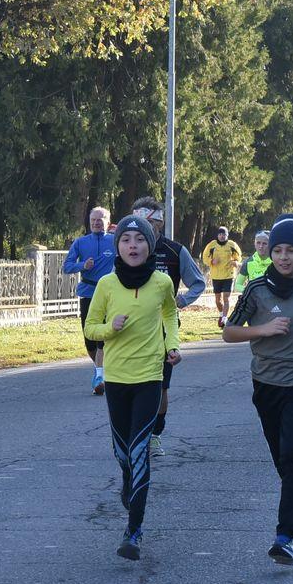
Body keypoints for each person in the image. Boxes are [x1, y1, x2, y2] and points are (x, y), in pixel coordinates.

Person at [223, 213, 293, 566]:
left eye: (291, 251)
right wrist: (263, 329)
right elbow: (229, 332)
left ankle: (284, 537)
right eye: (278, 251)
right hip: (266, 383)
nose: (284, 257)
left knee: (292, 454)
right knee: (282, 461)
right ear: (270, 253)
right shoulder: (257, 290)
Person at [83, 214, 180, 561]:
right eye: (126, 240)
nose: (133, 246)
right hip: (116, 379)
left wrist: (172, 345)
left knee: (140, 452)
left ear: (149, 246)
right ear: (118, 246)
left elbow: (170, 315)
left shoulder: (162, 283)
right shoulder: (106, 285)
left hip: (150, 376)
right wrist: (110, 328)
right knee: (122, 453)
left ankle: (133, 531)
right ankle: (127, 478)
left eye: (139, 240)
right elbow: (90, 328)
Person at [131, 196, 206, 456]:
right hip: (130, 329)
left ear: (159, 224)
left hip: (163, 329)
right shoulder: (127, 249)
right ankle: (134, 432)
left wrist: (181, 300)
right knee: (132, 383)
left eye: (147, 224)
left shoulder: (174, 251)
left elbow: (198, 282)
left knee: (160, 385)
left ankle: (155, 434)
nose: (140, 230)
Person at [63, 206, 116, 395]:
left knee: (103, 337)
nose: (96, 223)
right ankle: (100, 370)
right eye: (93, 220)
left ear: (107, 222)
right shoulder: (81, 242)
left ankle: (100, 376)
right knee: (89, 340)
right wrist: (82, 265)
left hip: (110, 295)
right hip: (88, 292)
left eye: (100, 220)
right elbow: (67, 267)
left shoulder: (115, 241)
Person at [202, 227, 243, 328]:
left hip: (228, 274)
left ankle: (224, 319)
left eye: (224, 234)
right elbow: (205, 258)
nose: (222, 236)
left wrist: (236, 262)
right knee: (217, 300)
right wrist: (211, 261)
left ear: (227, 235)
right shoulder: (211, 245)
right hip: (216, 275)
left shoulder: (232, 245)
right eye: (220, 234)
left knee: (226, 298)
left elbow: (238, 257)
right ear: (217, 235)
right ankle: (221, 314)